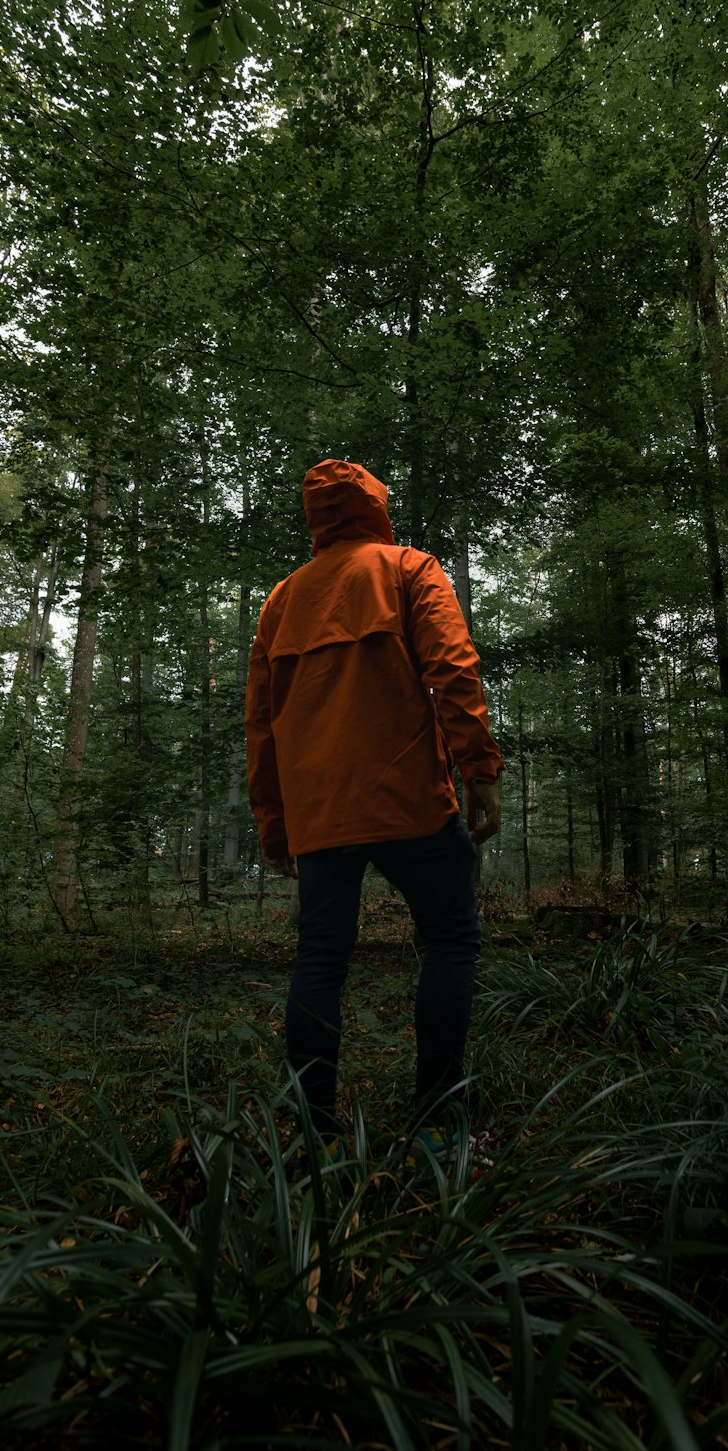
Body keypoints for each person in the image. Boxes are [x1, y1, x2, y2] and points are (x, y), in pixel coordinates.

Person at [245, 459, 503, 1160]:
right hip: (409, 803)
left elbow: (261, 724)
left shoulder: (281, 600)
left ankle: (313, 1135)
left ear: (315, 519)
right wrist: (478, 768)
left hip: (322, 815)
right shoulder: (409, 568)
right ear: (374, 507)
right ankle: (439, 1129)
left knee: (321, 957)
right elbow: (453, 667)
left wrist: (276, 823)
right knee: (451, 938)